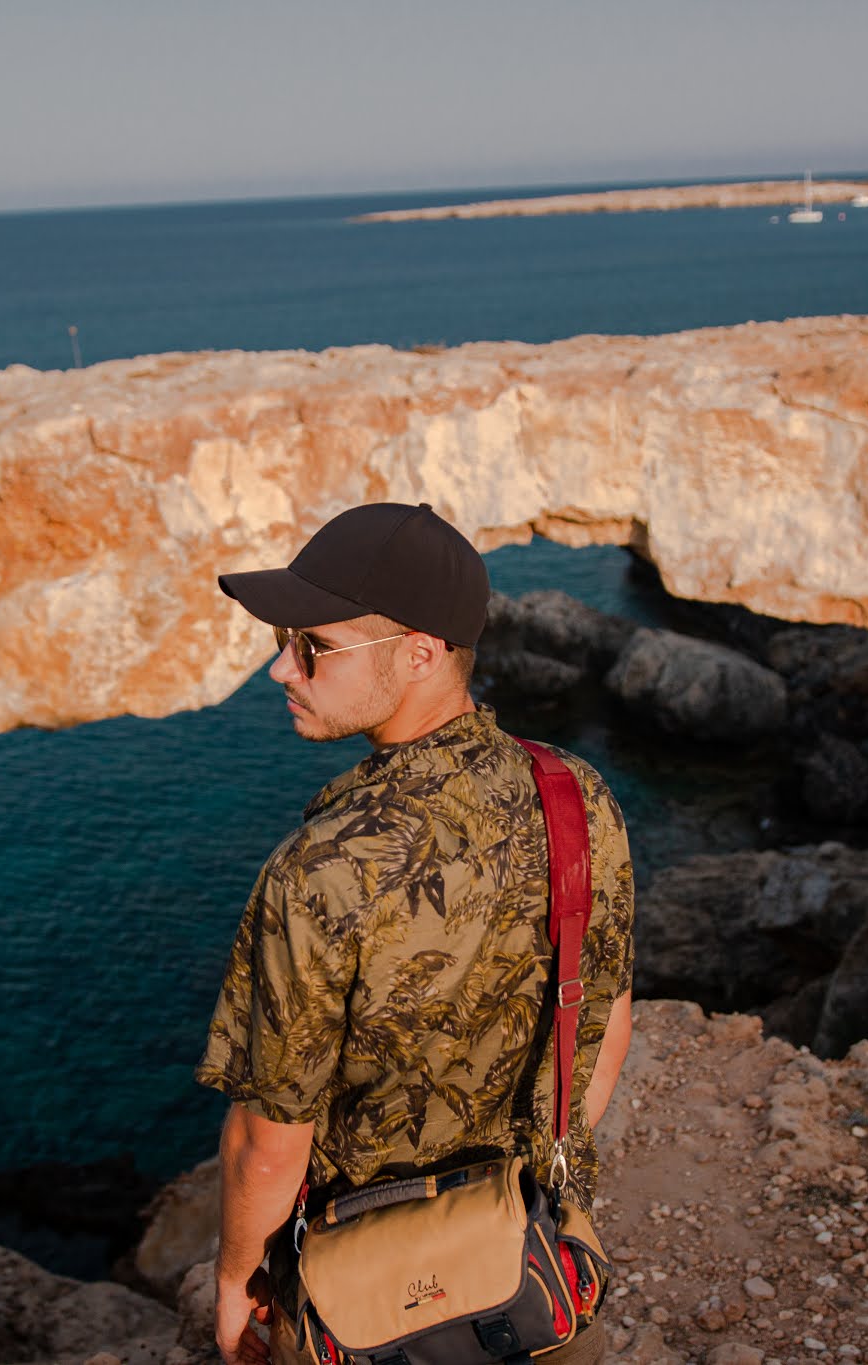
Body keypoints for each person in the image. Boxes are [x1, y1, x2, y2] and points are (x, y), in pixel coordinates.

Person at [194, 502, 635, 1365]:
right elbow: (606, 1021)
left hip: (363, 1306)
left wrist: (235, 1281)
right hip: (530, 1275)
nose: (282, 667)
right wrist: (544, 1184)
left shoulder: (318, 869)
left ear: (420, 652)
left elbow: (266, 1146)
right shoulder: (575, 795)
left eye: (313, 645)